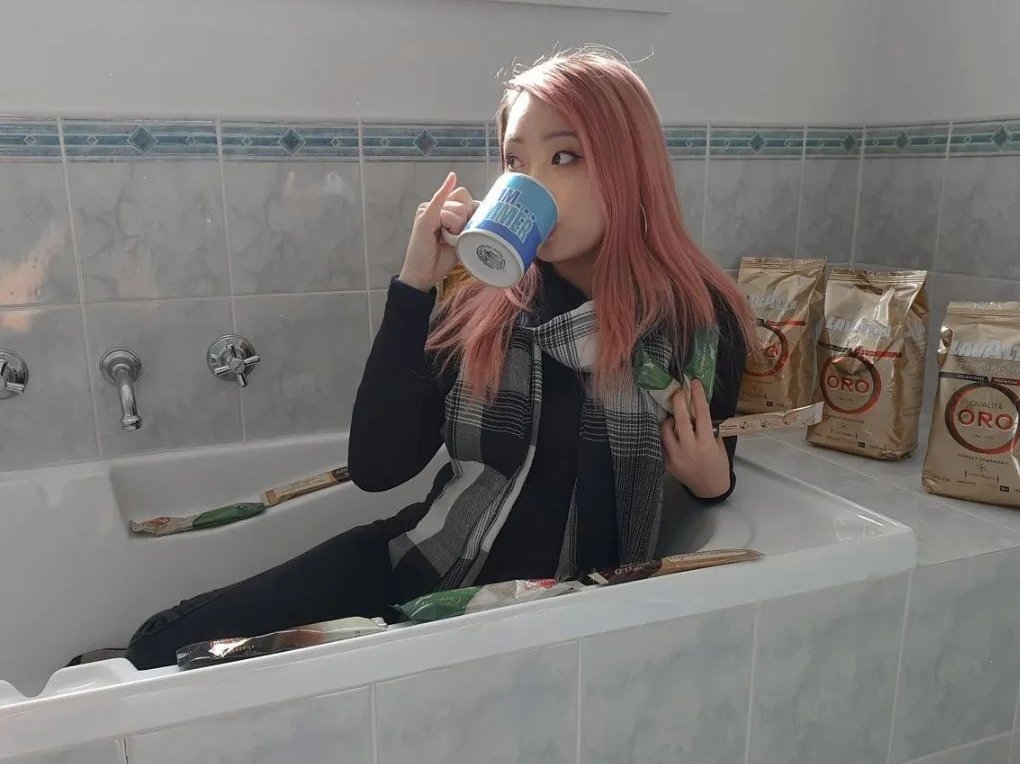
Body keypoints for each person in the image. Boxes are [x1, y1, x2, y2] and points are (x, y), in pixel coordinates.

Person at [124, 47, 752, 670]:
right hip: (423, 565)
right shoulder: (486, 301)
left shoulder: (696, 322)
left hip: (552, 614)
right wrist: (415, 283)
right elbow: (378, 467)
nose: (531, 182)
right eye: (515, 161)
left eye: (564, 156)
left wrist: (710, 482)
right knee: (158, 650)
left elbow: (715, 470)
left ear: (629, 167)